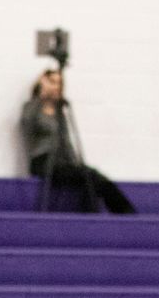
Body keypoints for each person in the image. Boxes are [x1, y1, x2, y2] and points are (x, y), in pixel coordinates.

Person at [19, 69, 136, 215]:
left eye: (59, 83)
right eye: (53, 82)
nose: (56, 87)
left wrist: (75, 163)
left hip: (61, 162)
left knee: (92, 177)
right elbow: (26, 124)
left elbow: (66, 141)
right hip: (43, 161)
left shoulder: (59, 111)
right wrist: (41, 97)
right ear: (44, 83)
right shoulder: (31, 107)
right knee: (89, 177)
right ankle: (113, 213)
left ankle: (125, 212)